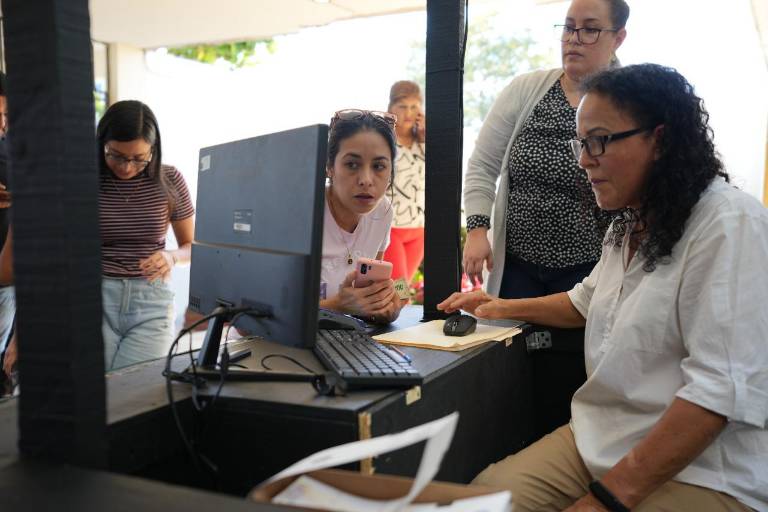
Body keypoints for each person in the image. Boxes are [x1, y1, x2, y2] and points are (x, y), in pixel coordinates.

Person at [439, 63, 768, 511]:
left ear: (660, 140)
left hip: (704, 468)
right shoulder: (628, 224)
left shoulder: (729, 226)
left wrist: (606, 499)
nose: (582, 159)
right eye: (581, 142)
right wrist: (498, 306)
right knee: (479, 500)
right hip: (600, 436)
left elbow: (717, 392)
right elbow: (584, 303)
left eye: (598, 141)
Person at [462, 0, 629, 299]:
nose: (574, 38)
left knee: (580, 345)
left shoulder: (629, 102)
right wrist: (477, 231)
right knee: (512, 344)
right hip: (518, 267)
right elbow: (482, 166)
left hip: (591, 270)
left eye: (589, 29)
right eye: (568, 28)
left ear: (618, 38)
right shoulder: (525, 89)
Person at [97, 100, 194, 370]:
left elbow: (192, 246)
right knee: (98, 394)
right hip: (96, 298)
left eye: (139, 158)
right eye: (116, 155)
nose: (127, 167)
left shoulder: (170, 179)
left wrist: (172, 257)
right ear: (102, 143)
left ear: (154, 150)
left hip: (150, 303)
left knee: (135, 393)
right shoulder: (84, 180)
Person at [319, 109, 405, 324]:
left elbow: (370, 293)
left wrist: (385, 307)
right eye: (352, 164)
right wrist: (337, 306)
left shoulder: (382, 211)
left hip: (344, 343)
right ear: (330, 166)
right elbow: (261, 316)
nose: (366, 180)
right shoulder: (303, 211)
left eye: (378, 166)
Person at [383, 80, 426, 284]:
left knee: (402, 291)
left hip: (419, 230)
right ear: (391, 108)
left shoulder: (425, 142)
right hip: (391, 229)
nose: (409, 113)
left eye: (414, 106)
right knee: (398, 290)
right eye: (402, 106)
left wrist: (427, 135)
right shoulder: (383, 143)